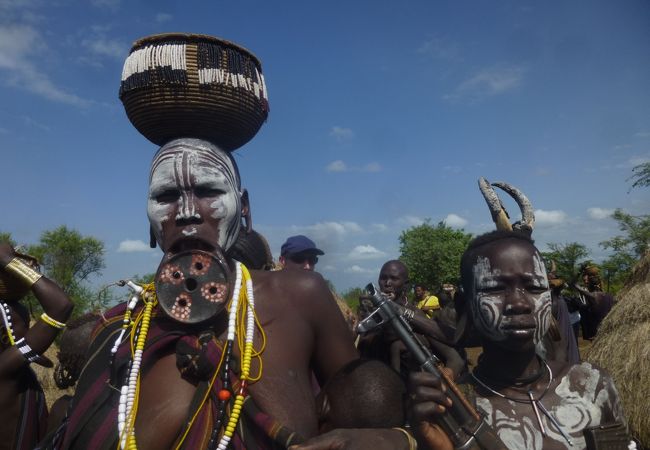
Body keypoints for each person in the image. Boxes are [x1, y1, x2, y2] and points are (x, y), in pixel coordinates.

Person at [53, 138, 414, 450]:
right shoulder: (118, 330)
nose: (188, 212)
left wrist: (397, 437)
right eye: (166, 196)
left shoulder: (299, 297)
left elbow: (366, 406)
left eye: (209, 191)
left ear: (244, 207)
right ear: (148, 217)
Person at [408, 231, 628, 450]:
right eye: (495, 288)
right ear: (467, 306)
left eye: (534, 288)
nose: (519, 303)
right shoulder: (453, 411)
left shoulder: (593, 386)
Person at [0, 244, 73, 450]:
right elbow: (61, 306)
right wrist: (9, 262)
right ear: (5, 335)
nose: (31, 324)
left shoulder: (14, 368)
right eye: (22, 321)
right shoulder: (5, 368)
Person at [358, 260, 466, 380]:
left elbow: (455, 360)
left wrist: (442, 382)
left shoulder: (414, 315)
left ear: (405, 285)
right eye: (383, 278)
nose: (387, 283)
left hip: (413, 392)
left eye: (394, 279)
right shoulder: (370, 317)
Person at [574, 265, 614, 341]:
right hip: (608, 330)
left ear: (590, 285)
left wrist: (580, 271)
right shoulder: (610, 296)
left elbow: (573, 283)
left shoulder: (592, 296)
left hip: (595, 332)